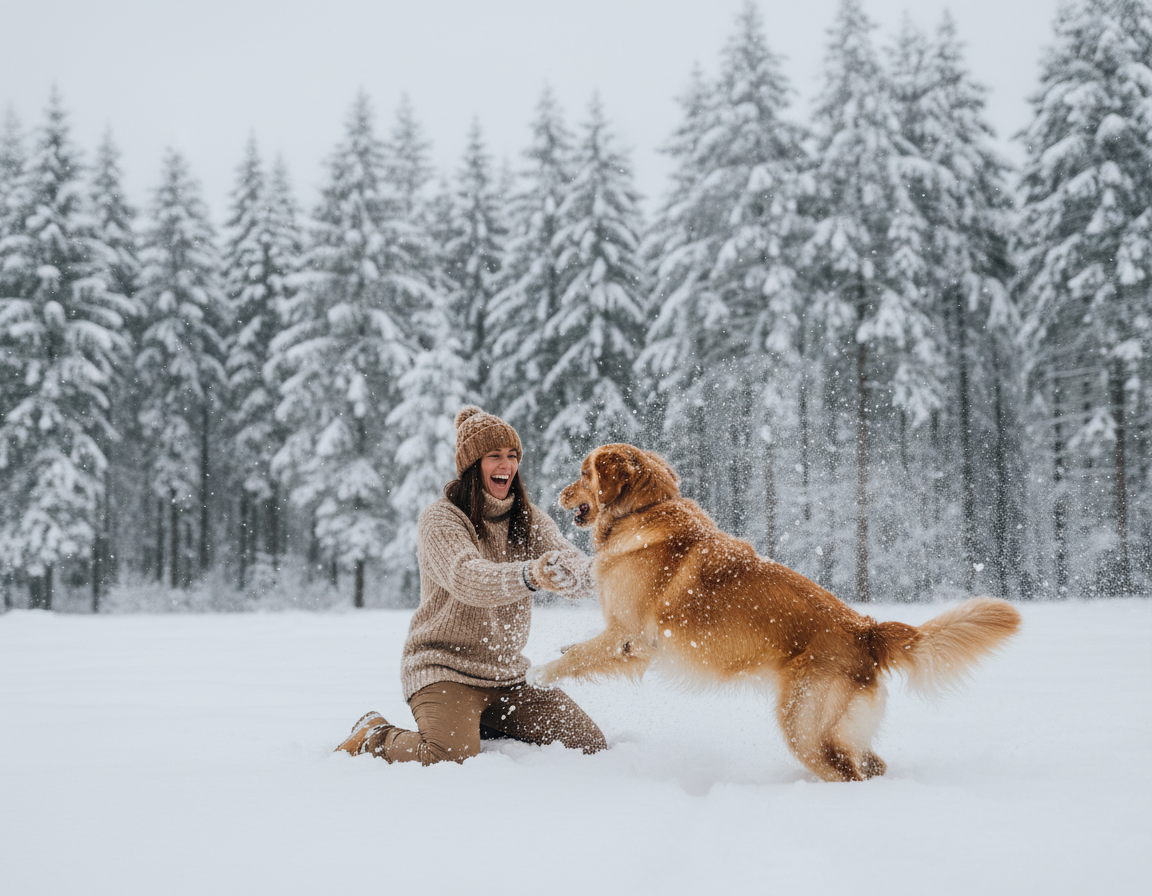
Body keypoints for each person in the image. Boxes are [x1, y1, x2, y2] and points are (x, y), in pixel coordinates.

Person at [334, 406, 607, 764]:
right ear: (472, 464)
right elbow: (468, 578)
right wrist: (531, 574)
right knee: (448, 756)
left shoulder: (528, 518)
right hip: (444, 668)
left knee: (587, 744)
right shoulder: (442, 518)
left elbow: (576, 572)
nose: (506, 465)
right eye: (494, 456)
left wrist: (616, 568)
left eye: (512, 456)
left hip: (508, 675)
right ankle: (374, 736)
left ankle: (478, 721)